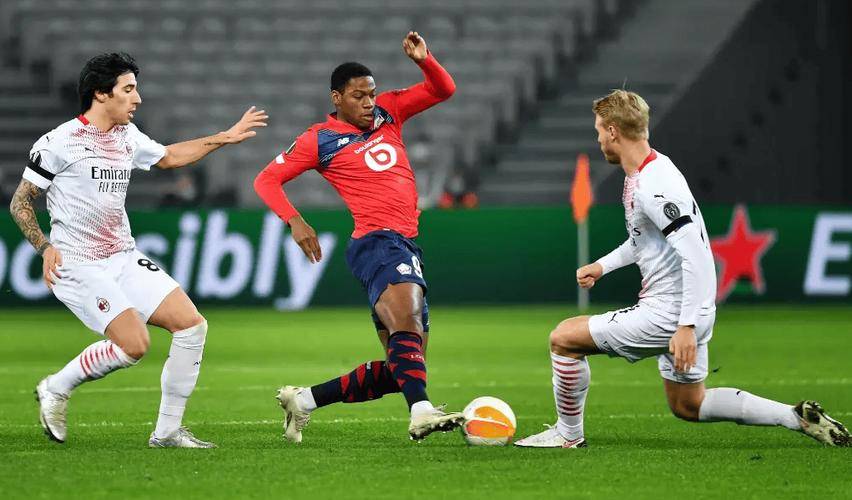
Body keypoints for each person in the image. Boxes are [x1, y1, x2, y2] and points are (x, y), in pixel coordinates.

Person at [514, 89, 849, 448]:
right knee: (689, 404)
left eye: (598, 130)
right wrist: (602, 266)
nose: (598, 140)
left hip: (671, 313)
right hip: (688, 311)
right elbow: (644, 242)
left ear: (612, 131)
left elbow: (697, 256)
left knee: (564, 338)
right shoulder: (653, 168)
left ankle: (567, 435)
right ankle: (795, 417)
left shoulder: (654, 187)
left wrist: (686, 326)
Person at [9, 52, 267, 448]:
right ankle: (56, 388)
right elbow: (21, 201)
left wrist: (224, 137)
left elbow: (169, 157)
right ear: (101, 93)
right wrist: (44, 247)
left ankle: (167, 432)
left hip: (123, 256)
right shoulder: (58, 142)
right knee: (134, 345)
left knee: (192, 326)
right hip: (78, 264)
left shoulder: (127, 136)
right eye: (128, 89)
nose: (138, 98)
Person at [254, 32, 463, 442]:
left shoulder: (389, 111)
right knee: (407, 324)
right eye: (358, 96)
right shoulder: (319, 139)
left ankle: (304, 400)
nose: (369, 103)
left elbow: (444, 89)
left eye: (371, 94)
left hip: (405, 242)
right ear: (337, 98)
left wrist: (424, 60)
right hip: (377, 242)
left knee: (405, 367)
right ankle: (421, 412)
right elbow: (266, 180)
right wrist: (295, 221)